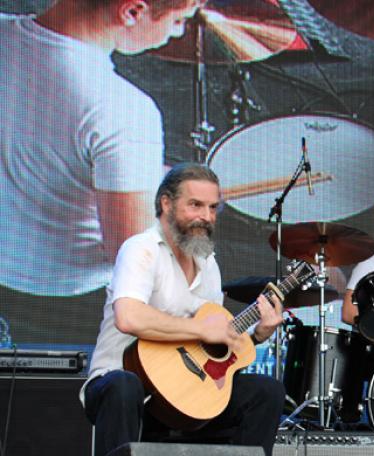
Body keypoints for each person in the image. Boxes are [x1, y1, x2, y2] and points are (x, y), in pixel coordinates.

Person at [0, 0, 198, 344]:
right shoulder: (124, 110)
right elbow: (128, 256)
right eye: (178, 19)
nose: (178, 31)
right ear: (132, 11)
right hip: (62, 297)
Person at [81, 164, 286, 456]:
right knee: (124, 386)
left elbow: (212, 344)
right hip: (124, 384)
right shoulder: (141, 249)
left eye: (213, 207)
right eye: (196, 205)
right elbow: (128, 317)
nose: (206, 217)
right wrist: (201, 328)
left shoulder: (209, 264)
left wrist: (255, 336)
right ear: (166, 203)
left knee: (267, 392)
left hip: (187, 396)